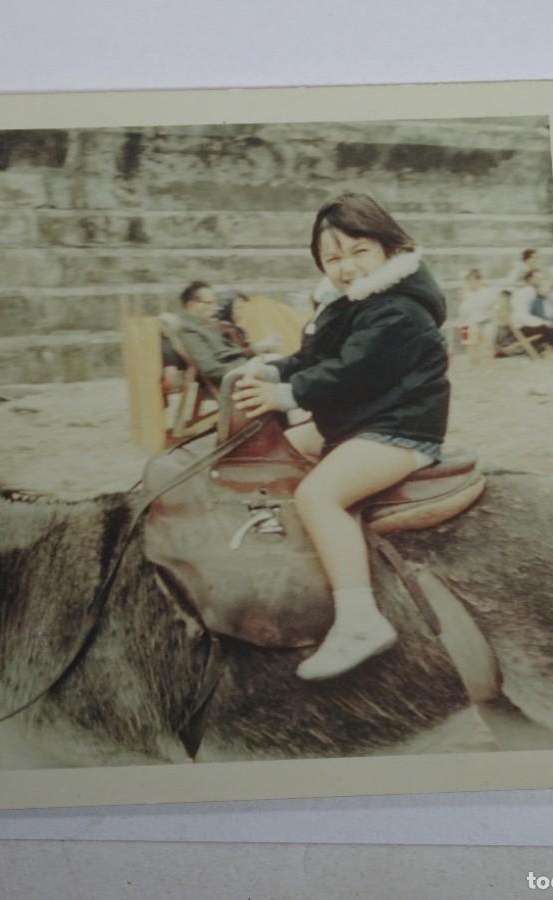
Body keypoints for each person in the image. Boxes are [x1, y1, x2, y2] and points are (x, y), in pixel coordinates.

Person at [235, 192, 450, 680]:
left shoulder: (398, 309)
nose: (346, 267)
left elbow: (351, 372)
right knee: (282, 452)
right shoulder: (352, 305)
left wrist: (287, 394)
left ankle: (359, 620)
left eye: (358, 251)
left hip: (399, 429)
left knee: (320, 495)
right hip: (365, 418)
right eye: (332, 258)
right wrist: (273, 370)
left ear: (390, 250)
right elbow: (316, 360)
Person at [166, 281, 253, 389]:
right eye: (209, 303)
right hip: (238, 377)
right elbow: (212, 369)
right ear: (191, 305)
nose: (215, 308)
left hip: (244, 369)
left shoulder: (207, 327)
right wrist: (249, 368)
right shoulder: (189, 330)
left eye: (215, 303)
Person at [510, 270, 553, 353]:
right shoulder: (524, 293)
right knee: (547, 328)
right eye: (537, 278)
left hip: (535, 323)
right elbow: (523, 316)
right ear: (530, 280)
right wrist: (542, 322)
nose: (540, 280)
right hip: (523, 325)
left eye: (541, 278)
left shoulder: (540, 293)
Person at [457, 269, 504, 364]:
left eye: (475, 280)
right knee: (471, 347)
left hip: (486, 322)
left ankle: (486, 367)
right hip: (470, 324)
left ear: (479, 280)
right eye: (469, 280)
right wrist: (461, 324)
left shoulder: (488, 292)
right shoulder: (465, 294)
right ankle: (473, 365)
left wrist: (493, 310)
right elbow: (463, 312)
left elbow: (497, 305)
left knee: (486, 347)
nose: (472, 283)